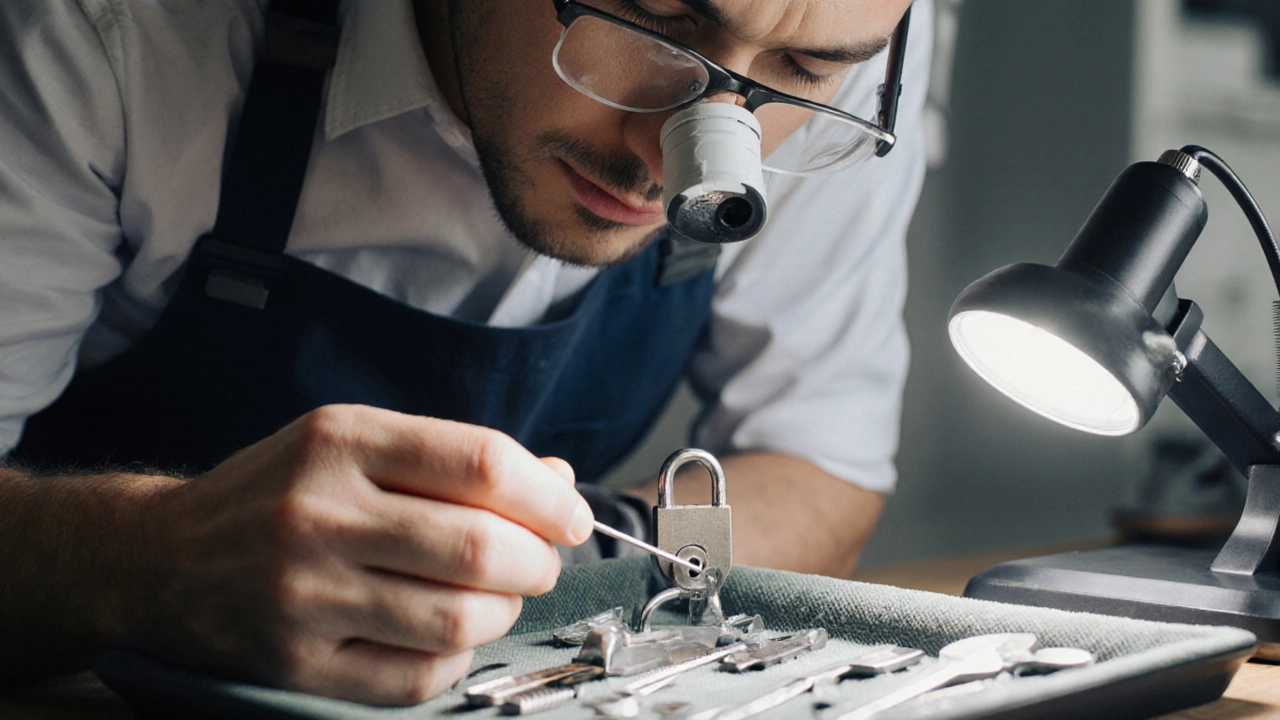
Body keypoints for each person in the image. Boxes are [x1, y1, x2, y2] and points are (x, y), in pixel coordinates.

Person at [0, 0, 930, 706]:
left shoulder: (845, 41)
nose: (673, 162)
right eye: (653, 16)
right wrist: (146, 562)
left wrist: (579, 559)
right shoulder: (112, 34)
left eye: (807, 67)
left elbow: (822, 468)